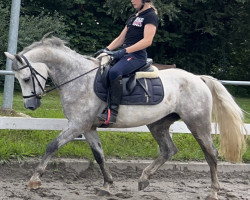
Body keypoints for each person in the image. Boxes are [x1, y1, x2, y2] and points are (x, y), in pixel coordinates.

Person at [95, 0, 159, 124]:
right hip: (126, 53)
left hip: (137, 56)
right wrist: (107, 50)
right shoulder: (133, 16)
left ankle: (112, 112)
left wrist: (124, 51)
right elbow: (121, 38)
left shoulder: (150, 16)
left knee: (115, 72)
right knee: (102, 67)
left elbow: (147, 41)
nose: (131, 0)